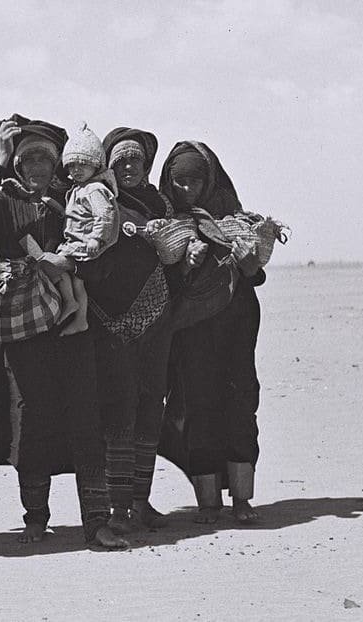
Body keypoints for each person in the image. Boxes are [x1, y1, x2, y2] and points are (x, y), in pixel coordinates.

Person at [0, 115, 128, 550]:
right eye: (28, 159)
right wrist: (0, 159)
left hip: (71, 324)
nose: (37, 166)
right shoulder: (2, 198)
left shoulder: (75, 197)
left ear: (57, 162)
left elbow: (104, 253)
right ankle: (36, 518)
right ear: (18, 165)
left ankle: (96, 521)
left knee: (85, 416)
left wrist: (71, 265)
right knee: (30, 417)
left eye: (45, 157)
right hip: (21, 321)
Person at [77, 127, 177, 533]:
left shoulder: (160, 202)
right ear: (109, 165)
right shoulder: (97, 197)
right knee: (118, 410)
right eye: (121, 160)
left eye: (136, 159)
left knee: (151, 407)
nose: (130, 166)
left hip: (157, 316)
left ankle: (141, 500)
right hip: (107, 319)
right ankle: (118, 506)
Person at [158, 141, 263, 524]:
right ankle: (207, 503)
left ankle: (242, 499)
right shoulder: (165, 220)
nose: (187, 188)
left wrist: (249, 263)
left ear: (210, 178)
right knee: (198, 406)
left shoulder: (234, 216)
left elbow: (255, 273)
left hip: (238, 322)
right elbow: (159, 278)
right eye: (179, 180)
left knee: (241, 402)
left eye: (195, 180)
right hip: (192, 327)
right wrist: (184, 265)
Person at [49, 123, 120, 336]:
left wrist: (96, 239)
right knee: (75, 280)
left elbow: (105, 214)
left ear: (96, 166)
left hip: (85, 245)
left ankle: (73, 306)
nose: (76, 170)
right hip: (75, 243)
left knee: (57, 267)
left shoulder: (94, 189)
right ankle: (77, 314)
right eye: (72, 166)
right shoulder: (79, 189)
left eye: (83, 165)